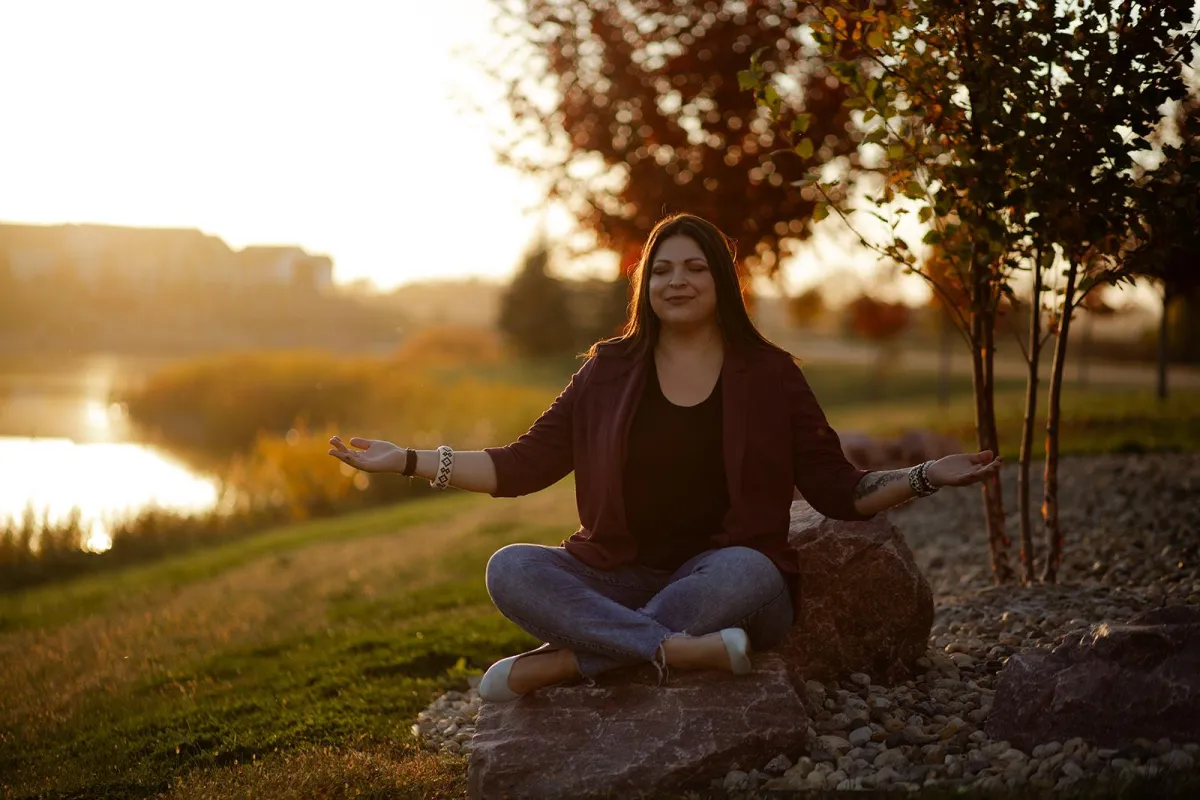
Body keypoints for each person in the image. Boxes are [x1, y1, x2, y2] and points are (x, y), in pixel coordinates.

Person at [328, 213, 1001, 703]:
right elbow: (521, 466)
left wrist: (922, 477)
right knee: (511, 567)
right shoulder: (608, 371)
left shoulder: (769, 375)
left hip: (727, 579)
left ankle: (571, 664)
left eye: (695, 267)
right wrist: (408, 460)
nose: (677, 281)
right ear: (645, 284)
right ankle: (670, 650)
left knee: (750, 569)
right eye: (662, 269)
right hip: (622, 576)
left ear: (722, 283)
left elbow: (837, 491)